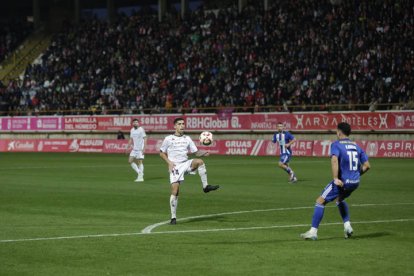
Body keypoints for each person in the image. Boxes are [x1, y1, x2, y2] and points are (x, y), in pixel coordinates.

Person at [300, 122, 371, 240]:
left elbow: (334, 160)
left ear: (339, 132)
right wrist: (356, 175)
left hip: (342, 182)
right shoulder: (357, 146)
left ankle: (313, 232)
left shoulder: (336, 145)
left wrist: (335, 179)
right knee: (340, 199)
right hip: (354, 182)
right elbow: (367, 165)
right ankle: (347, 226)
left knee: (320, 201)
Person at [160, 117, 220, 225]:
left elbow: (196, 152)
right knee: (175, 191)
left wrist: (204, 152)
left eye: (183, 124)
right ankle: (173, 218)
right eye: (179, 124)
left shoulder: (187, 138)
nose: (182, 125)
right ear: (175, 126)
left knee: (200, 162)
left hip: (185, 163)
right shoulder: (168, 138)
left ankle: (205, 187)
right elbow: (161, 153)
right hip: (175, 167)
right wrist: (169, 162)